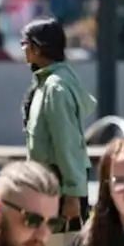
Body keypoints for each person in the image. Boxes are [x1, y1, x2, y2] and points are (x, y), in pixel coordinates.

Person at [20, 18, 93, 232]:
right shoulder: (49, 81)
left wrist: (72, 194)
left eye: (25, 44)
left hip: (59, 189)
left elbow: (68, 143)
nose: (23, 49)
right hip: (48, 186)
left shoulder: (55, 88)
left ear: (38, 48)